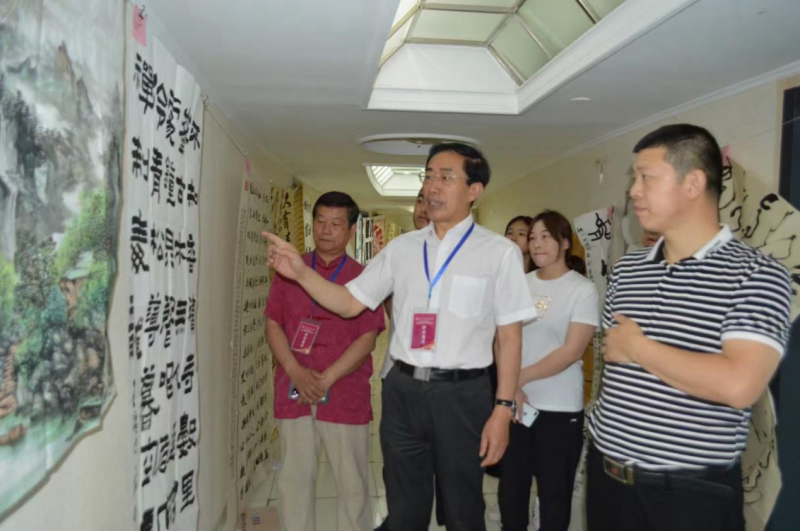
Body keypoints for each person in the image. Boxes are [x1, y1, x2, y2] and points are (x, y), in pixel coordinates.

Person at [264, 142, 537, 531]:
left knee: (462, 508)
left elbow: (509, 338)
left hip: (461, 395)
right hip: (402, 391)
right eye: (428, 176)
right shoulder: (402, 249)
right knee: (404, 508)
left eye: (446, 177)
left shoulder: (499, 253)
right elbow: (347, 303)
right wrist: (301, 273)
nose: (432, 187)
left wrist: (502, 409)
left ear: (474, 191)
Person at [587, 124, 792, 531]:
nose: (634, 191)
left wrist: (639, 349)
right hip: (606, 477)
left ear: (693, 183)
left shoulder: (757, 274)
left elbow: (740, 385)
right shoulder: (628, 270)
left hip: (688, 495)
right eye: (634, 179)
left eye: (646, 177)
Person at [264, 191, 386, 531]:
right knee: (293, 481)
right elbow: (273, 322)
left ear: (349, 230)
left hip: (344, 395)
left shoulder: (365, 276)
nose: (326, 230)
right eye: (320, 221)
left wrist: (326, 378)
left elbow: (368, 336)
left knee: (352, 486)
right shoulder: (289, 270)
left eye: (336, 223)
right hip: (293, 392)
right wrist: (295, 372)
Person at [496, 210, 598, 531]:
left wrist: (517, 378)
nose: (536, 244)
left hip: (559, 410)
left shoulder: (582, 290)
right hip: (515, 406)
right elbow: (500, 339)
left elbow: (571, 351)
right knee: (511, 490)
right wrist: (510, 387)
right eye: (533, 237)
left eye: (546, 237)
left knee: (554, 495)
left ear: (565, 243)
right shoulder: (518, 284)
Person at [375, 189, 435, 531]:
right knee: (396, 460)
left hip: (442, 382)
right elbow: (385, 305)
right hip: (396, 373)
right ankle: (399, 519)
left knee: (437, 460)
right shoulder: (397, 251)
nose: (424, 209)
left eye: (431, 202)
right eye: (419, 202)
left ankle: (418, 517)